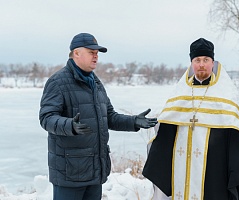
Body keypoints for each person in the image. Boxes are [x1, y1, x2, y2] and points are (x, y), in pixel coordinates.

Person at [39, 32, 158, 200]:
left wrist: (133, 122)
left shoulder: (95, 83)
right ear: (76, 53)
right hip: (69, 174)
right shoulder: (58, 82)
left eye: (97, 53)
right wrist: (69, 125)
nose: (96, 57)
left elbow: (109, 117)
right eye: (91, 52)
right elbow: (46, 117)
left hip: (94, 172)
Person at [142, 38, 239, 200]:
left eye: (205, 60)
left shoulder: (227, 94)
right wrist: (157, 124)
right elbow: (167, 127)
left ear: (212, 62)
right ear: (191, 63)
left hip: (215, 167)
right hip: (182, 166)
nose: (201, 64)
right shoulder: (180, 93)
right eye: (197, 60)